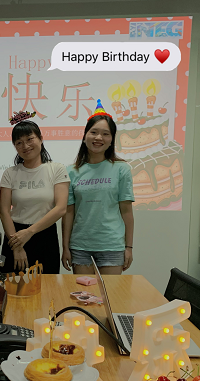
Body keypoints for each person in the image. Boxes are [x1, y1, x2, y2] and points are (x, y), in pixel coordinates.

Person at [61, 100, 134, 275]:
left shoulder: (122, 169)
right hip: (80, 247)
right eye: (93, 132)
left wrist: (129, 247)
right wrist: (65, 247)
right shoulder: (71, 171)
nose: (99, 138)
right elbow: (69, 213)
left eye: (105, 134)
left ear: (111, 140)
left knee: (110, 293)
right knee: (83, 292)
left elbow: (126, 212)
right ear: (85, 136)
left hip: (112, 246)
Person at [0, 112, 70, 274]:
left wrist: (29, 232)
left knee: (47, 286)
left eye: (30, 139)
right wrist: (17, 247)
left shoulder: (56, 169)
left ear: (40, 139)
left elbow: (61, 208)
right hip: (15, 236)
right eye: (19, 142)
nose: (25, 146)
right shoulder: (10, 173)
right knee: (12, 286)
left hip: (45, 235)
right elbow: (4, 212)